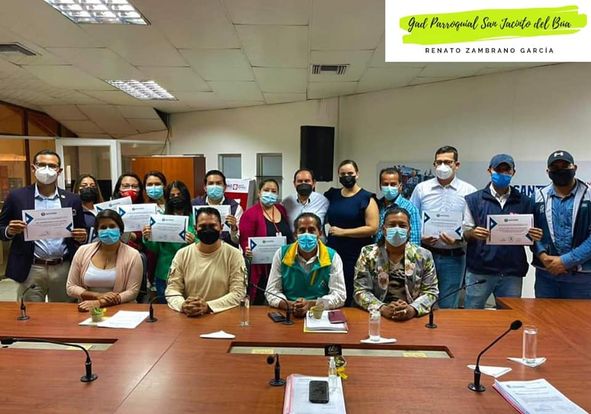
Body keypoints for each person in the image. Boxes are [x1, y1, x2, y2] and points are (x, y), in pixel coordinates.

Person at [0, 149, 87, 302]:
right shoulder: (17, 197)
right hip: (31, 267)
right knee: (31, 312)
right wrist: (9, 230)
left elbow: (82, 230)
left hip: (63, 266)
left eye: (52, 166)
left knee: (63, 312)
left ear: (59, 171)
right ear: (33, 168)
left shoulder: (72, 199)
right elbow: (1, 228)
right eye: (42, 165)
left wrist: (82, 237)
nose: (47, 169)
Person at [463, 154, 543, 308]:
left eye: (507, 170)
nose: (503, 173)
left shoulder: (525, 201)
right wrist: (472, 233)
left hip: (512, 271)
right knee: (472, 314)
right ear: (489, 170)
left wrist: (534, 235)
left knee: (509, 316)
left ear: (513, 172)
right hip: (480, 270)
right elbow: (465, 233)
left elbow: (532, 237)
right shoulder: (473, 200)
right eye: (498, 170)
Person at [410, 146, 476, 308]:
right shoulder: (421, 189)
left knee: (448, 305)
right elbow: (412, 219)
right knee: (419, 303)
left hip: (454, 257)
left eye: (447, 162)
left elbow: (470, 225)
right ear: (434, 164)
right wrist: (421, 237)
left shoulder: (469, 191)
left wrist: (459, 238)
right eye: (439, 162)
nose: (442, 166)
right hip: (425, 255)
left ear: (457, 165)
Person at [354, 207, 438, 321]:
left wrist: (413, 309)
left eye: (402, 226)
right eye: (392, 225)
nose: (397, 229)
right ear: (383, 229)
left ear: (409, 230)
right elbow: (360, 291)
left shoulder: (423, 255)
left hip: (412, 317)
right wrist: (382, 308)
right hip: (377, 316)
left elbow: (431, 292)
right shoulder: (368, 253)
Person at [166, 207, 246, 316]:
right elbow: (172, 289)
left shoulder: (234, 255)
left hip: (223, 316)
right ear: (195, 228)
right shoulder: (182, 254)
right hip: (190, 316)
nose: (208, 230)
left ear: (221, 228)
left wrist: (208, 306)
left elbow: (238, 293)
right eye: (202, 226)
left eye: (213, 226)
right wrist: (182, 305)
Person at [532, 150, 591, 299]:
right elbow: (530, 232)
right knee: (544, 314)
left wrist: (566, 261)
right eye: (555, 167)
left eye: (565, 166)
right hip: (546, 276)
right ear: (548, 172)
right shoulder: (538, 196)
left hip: (582, 277)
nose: (560, 170)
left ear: (574, 168)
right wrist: (543, 256)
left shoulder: (589, 195)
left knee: (579, 315)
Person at [265, 212, 346, 316]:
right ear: (295, 234)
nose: (306, 234)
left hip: (319, 313)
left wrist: (311, 304)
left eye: (312, 230)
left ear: (320, 233)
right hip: (288, 313)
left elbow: (339, 295)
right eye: (302, 230)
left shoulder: (332, 257)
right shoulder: (281, 254)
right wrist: (290, 305)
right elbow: (271, 291)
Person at [324, 160, 379, 306]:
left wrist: (344, 232)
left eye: (350, 173)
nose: (346, 176)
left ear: (357, 174)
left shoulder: (367, 198)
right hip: (333, 251)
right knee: (332, 289)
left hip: (356, 253)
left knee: (352, 291)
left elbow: (372, 228)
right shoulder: (332, 195)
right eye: (343, 174)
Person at [66, 209, 143, 311]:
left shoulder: (133, 255)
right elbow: (71, 287)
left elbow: (132, 292)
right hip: (87, 307)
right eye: (103, 227)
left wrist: (100, 303)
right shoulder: (83, 251)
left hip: (121, 309)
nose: (108, 230)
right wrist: (97, 295)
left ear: (120, 230)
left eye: (112, 226)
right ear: (97, 232)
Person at [239, 178, 294, 304]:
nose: (270, 193)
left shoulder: (281, 209)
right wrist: (248, 250)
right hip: (262, 267)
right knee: (260, 301)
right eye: (266, 190)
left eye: (274, 191)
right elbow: (245, 241)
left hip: (283, 264)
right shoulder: (250, 214)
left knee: (282, 300)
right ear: (259, 193)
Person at [143, 181, 196, 303]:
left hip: (190, 272)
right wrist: (148, 237)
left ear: (186, 196)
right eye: (172, 195)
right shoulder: (160, 219)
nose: (176, 198)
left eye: (179, 195)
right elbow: (155, 249)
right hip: (165, 272)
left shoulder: (195, 218)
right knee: (165, 310)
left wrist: (194, 241)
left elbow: (204, 245)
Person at [191, 169, 242, 248]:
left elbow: (238, 241)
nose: (214, 186)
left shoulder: (235, 207)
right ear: (205, 187)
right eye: (211, 183)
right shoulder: (194, 204)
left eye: (218, 183)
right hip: (200, 249)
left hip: (226, 250)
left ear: (225, 187)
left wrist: (234, 228)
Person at [376, 167, 421, 245]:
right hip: (376, 251)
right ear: (380, 186)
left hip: (402, 251)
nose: (389, 187)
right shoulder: (375, 206)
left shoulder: (410, 208)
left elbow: (415, 241)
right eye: (385, 184)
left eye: (393, 184)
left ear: (400, 186)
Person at [282, 168, 329, 233]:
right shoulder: (286, 203)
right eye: (300, 181)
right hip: (294, 239)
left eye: (307, 181)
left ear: (314, 183)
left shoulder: (323, 201)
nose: (303, 184)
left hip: (317, 239)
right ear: (294, 183)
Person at [74, 174, 104, 242]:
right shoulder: (75, 212)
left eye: (92, 186)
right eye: (84, 186)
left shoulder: (103, 209)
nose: (88, 188)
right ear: (77, 189)